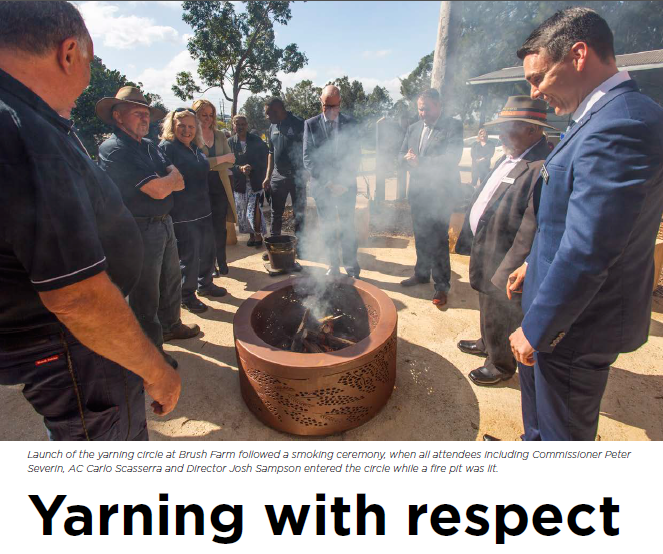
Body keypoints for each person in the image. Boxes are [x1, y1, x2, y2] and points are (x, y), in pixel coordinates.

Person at [0, 1, 180, 440]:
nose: (87, 76)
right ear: (68, 53)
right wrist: (156, 370)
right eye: (90, 61)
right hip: (71, 345)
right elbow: (77, 297)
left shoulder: (26, 117)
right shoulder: (28, 134)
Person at [508, 7, 663, 440]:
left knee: (564, 444)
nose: (535, 93)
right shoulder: (597, 115)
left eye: (537, 78)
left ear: (578, 54)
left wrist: (537, 329)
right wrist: (532, 265)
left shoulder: (624, 123)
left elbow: (589, 249)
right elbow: (566, 218)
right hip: (556, 312)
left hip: (574, 326)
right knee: (538, 430)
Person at [97, 87, 201, 369]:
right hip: (138, 230)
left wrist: (166, 183)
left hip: (164, 224)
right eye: (137, 113)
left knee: (170, 281)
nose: (145, 118)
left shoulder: (148, 146)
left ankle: (171, 325)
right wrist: (165, 183)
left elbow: (177, 179)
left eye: (147, 113)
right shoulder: (114, 149)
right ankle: (151, 351)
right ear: (118, 116)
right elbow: (158, 189)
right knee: (146, 293)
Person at [455, 97, 553, 386]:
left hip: (505, 254)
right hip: (488, 244)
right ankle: (488, 342)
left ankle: (500, 364)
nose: (501, 134)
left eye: (509, 127)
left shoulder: (539, 166)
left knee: (501, 308)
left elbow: (530, 225)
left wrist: (512, 266)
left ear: (533, 131)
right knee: (486, 301)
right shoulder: (511, 155)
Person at [399, 88, 463, 306]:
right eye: (419, 109)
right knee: (421, 235)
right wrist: (405, 158)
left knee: (438, 239)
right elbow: (400, 154)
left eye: (425, 108)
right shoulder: (413, 128)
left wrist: (421, 163)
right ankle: (421, 273)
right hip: (418, 193)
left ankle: (442, 285)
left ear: (438, 105)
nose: (422, 113)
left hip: (440, 195)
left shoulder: (452, 126)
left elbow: (452, 158)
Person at [159, 109, 228, 314]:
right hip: (182, 213)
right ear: (172, 126)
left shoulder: (195, 147)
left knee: (207, 251)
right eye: (182, 126)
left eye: (191, 127)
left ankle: (205, 284)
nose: (187, 131)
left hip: (203, 208)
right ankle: (187, 296)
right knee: (188, 256)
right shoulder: (167, 148)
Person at [303, 84, 362, 278]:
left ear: (340, 104)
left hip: (346, 186)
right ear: (321, 103)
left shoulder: (351, 123)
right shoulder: (310, 124)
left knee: (347, 226)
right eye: (325, 106)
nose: (329, 111)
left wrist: (343, 182)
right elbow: (308, 158)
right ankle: (332, 266)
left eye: (333, 107)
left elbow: (355, 155)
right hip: (323, 187)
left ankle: (352, 268)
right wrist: (329, 182)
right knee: (328, 227)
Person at [192, 99, 237, 276]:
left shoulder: (219, 135)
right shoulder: (191, 135)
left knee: (220, 227)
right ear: (195, 115)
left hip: (219, 186)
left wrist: (210, 163)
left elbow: (231, 161)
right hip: (199, 188)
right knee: (205, 229)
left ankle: (222, 260)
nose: (208, 119)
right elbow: (195, 165)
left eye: (211, 115)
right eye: (204, 115)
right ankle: (209, 266)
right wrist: (220, 160)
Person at [262, 97, 306, 254]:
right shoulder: (272, 127)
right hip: (277, 176)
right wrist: (268, 176)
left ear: (278, 110)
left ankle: (301, 248)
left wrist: (306, 172)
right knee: (276, 212)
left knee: (299, 212)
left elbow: (308, 149)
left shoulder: (299, 123)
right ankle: (274, 247)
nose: (267, 117)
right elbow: (271, 152)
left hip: (297, 176)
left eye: (269, 114)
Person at [228, 115, 269, 247]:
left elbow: (265, 158)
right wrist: (239, 168)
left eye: (243, 124)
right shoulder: (229, 143)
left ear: (247, 125)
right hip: (239, 184)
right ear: (233, 125)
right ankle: (251, 236)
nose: (240, 127)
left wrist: (253, 167)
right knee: (244, 211)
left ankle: (258, 235)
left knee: (254, 208)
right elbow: (227, 164)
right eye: (237, 124)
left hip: (255, 182)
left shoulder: (256, 140)